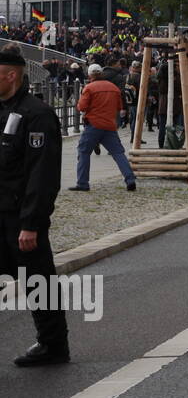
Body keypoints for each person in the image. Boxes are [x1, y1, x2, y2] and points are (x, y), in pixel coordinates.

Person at [0, 46, 67, 365]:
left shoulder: (36, 114)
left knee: (38, 282)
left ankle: (53, 345)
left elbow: (42, 175)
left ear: (11, 76)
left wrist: (31, 223)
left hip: (20, 218)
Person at [70, 64, 136, 192]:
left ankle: (83, 183)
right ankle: (130, 179)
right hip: (110, 125)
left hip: (93, 125)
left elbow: (82, 107)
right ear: (101, 73)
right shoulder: (114, 88)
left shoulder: (89, 88)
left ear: (90, 75)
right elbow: (118, 107)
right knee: (118, 153)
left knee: (83, 152)